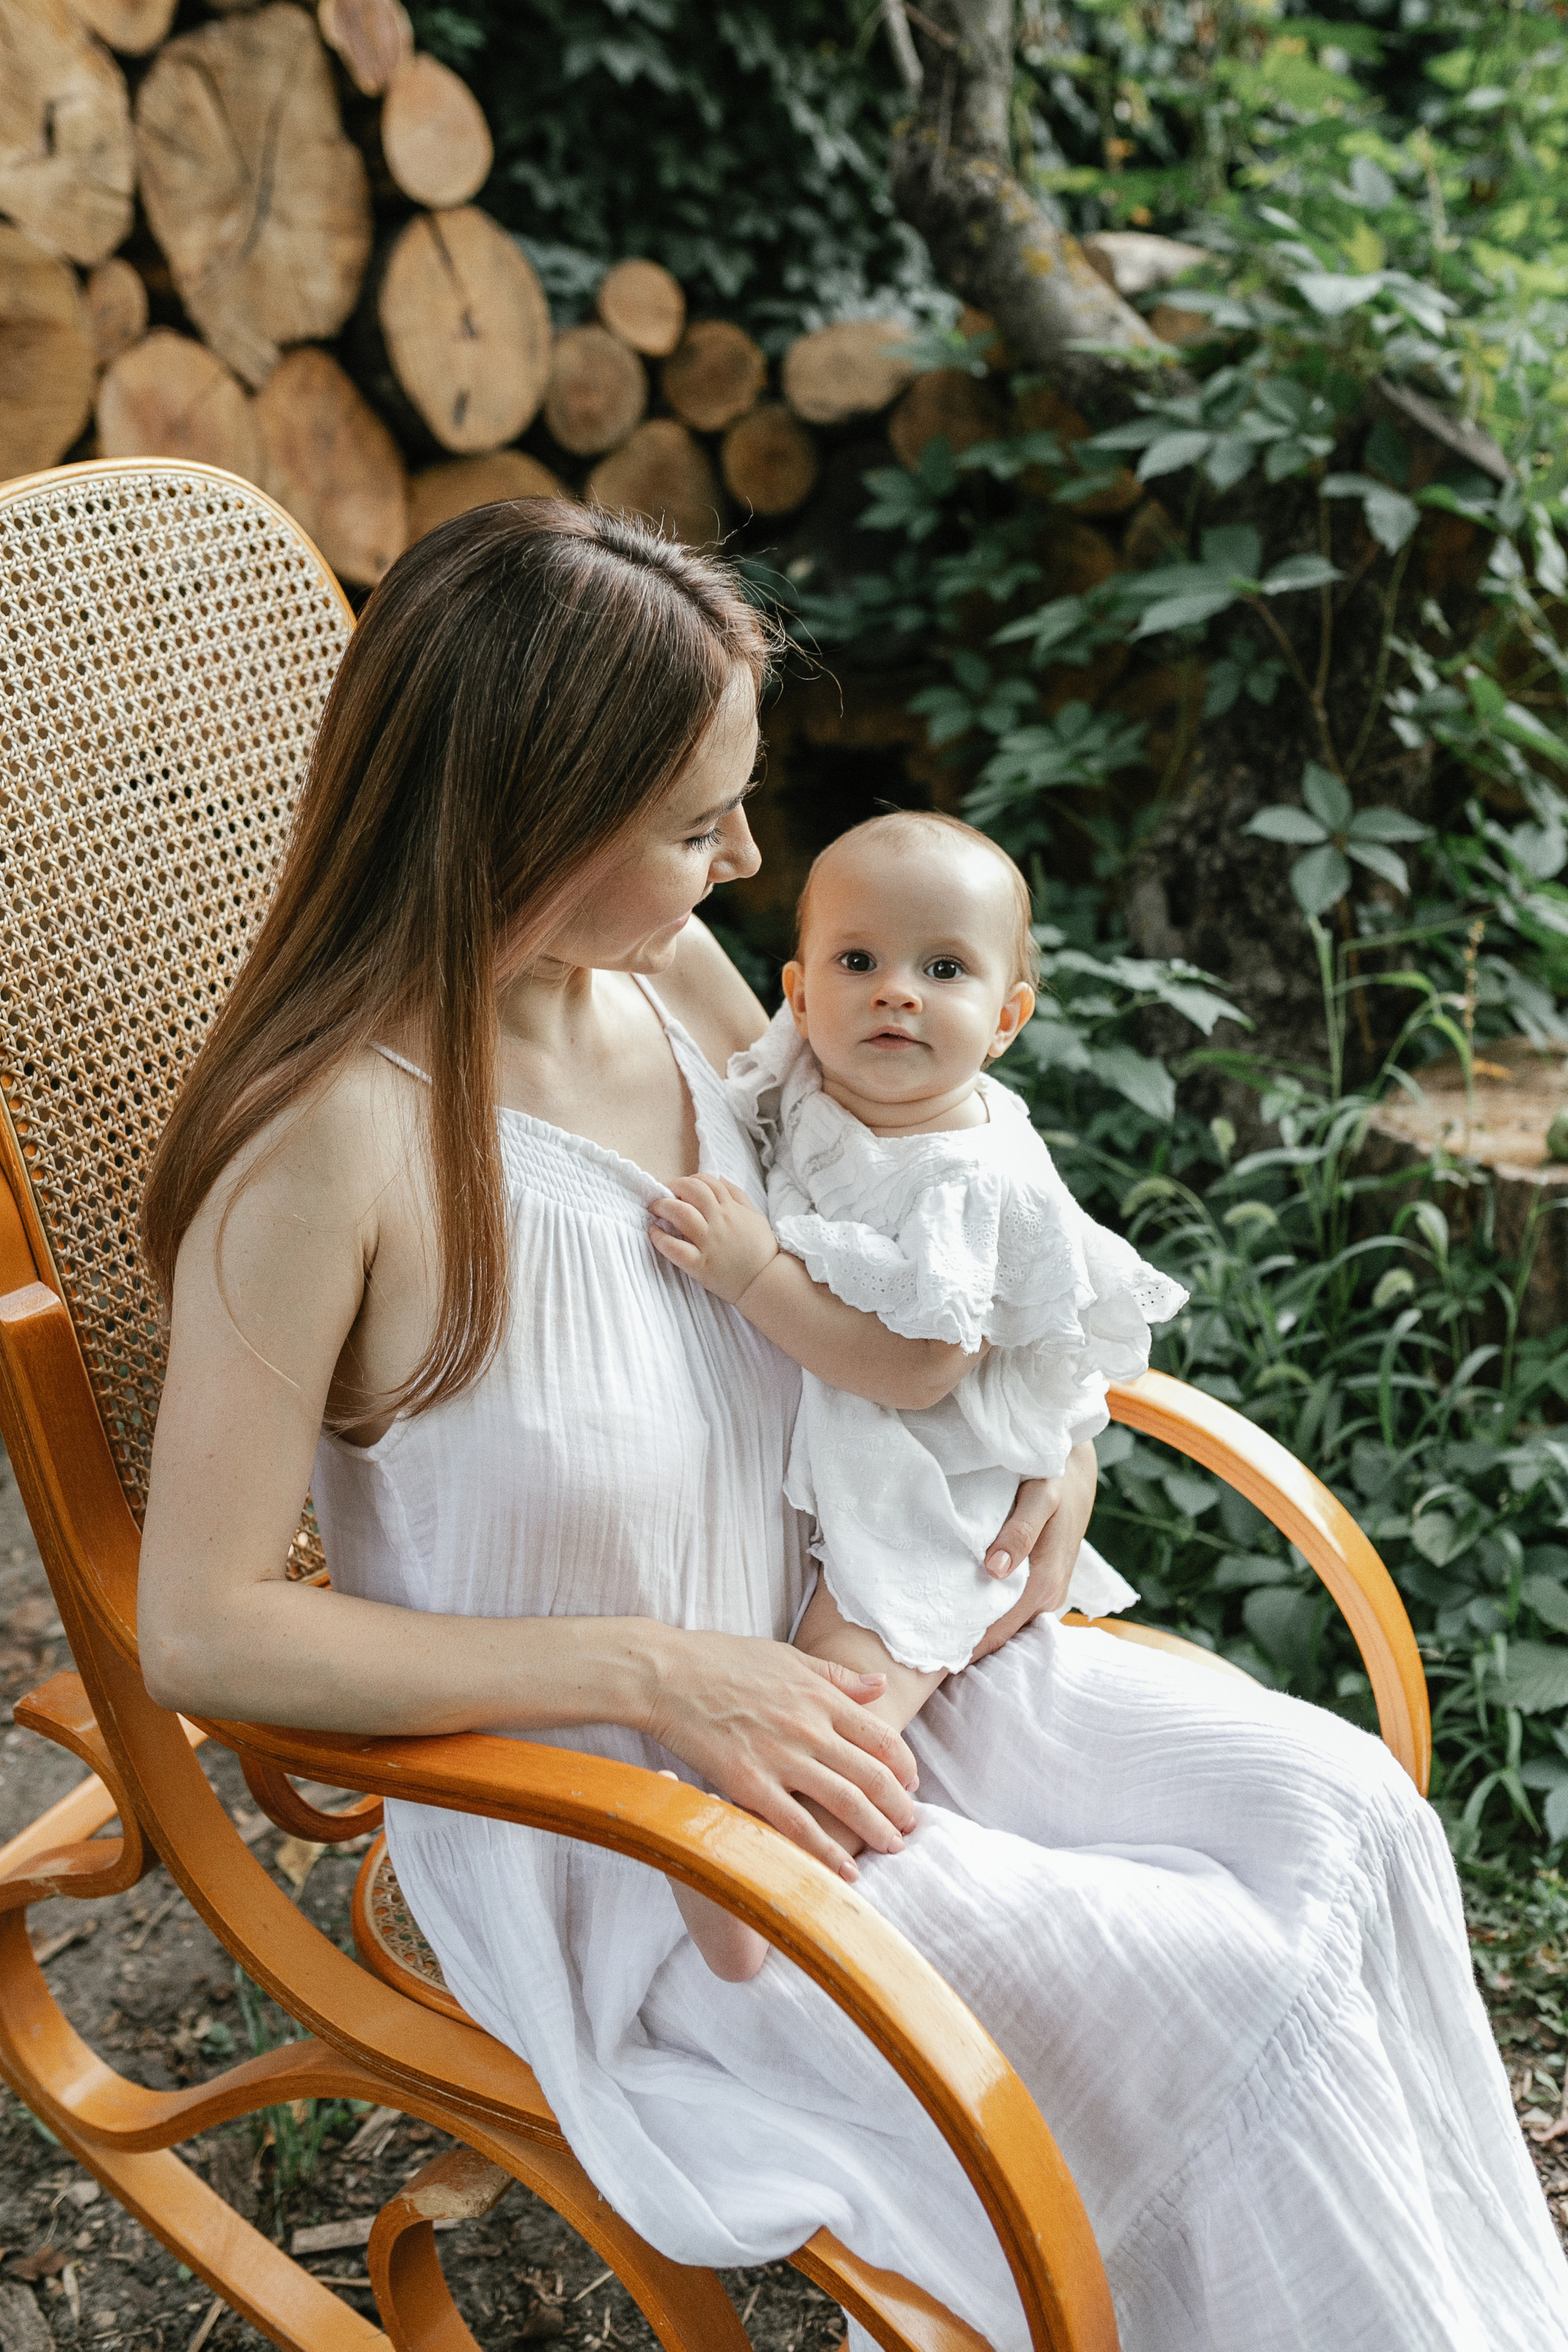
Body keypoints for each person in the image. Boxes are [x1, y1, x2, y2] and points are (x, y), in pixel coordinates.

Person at [137, 500, 1568, 2352]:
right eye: (694, 823)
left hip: (869, 1652)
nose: (745, 859)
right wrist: (662, 1676)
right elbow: (204, 1629)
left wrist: (1044, 1429)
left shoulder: (663, 982)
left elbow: (913, 1230)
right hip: (640, 1829)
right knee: (1204, 1989)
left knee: (1341, 1811)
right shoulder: (328, 1145)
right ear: (531, 822)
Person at [647, 810, 1182, 1980]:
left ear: (1008, 1018)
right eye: (859, 961)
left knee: (852, 1674)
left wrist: (755, 1275)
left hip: (947, 1478)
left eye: (944, 970)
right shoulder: (810, 1071)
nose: (896, 992)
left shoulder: (962, 1174)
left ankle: (753, 1883)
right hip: (867, 1439)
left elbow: (920, 1365)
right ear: (797, 995)